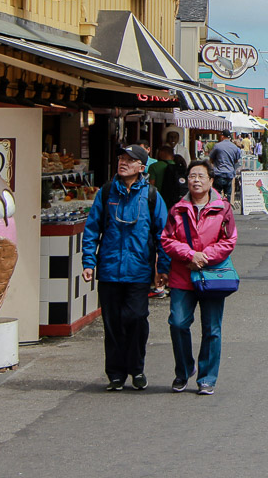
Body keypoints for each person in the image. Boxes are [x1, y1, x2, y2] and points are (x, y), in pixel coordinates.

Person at [81, 144, 170, 391]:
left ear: (141, 168)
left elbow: (163, 234)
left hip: (139, 270)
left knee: (137, 318)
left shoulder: (151, 196)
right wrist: (89, 261)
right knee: (112, 323)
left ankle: (137, 368)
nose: (123, 163)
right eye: (121, 158)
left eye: (130, 160)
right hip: (109, 270)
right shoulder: (107, 192)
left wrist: (163, 268)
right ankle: (116, 374)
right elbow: (92, 229)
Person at [160, 160, 237, 394]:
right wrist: (190, 255)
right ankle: (184, 370)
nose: (196, 180)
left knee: (212, 329)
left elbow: (229, 239)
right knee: (178, 323)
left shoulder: (223, 208)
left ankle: (207, 377)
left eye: (201, 176)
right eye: (192, 176)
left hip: (213, 275)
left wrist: (205, 257)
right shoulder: (177, 209)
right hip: (183, 275)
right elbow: (166, 239)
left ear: (211, 181)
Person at [208, 129, 241, 200]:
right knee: (228, 195)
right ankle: (227, 208)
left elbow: (211, 159)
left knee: (216, 194)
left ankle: (217, 209)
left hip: (219, 173)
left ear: (222, 136)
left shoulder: (217, 146)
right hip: (229, 174)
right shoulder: (235, 147)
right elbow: (236, 160)